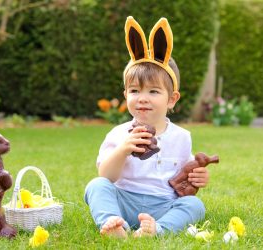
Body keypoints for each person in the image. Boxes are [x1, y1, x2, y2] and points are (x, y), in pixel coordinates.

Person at [84, 16, 209, 238]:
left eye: (153, 91)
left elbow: (184, 179)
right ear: (125, 95)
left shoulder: (181, 137)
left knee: (194, 205)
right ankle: (114, 225)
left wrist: (197, 178)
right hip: (124, 199)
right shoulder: (119, 133)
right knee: (96, 186)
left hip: (163, 205)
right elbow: (106, 175)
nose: (142, 98)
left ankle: (157, 229)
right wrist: (123, 149)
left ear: (171, 99)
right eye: (134, 91)